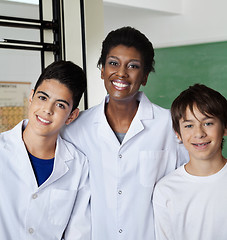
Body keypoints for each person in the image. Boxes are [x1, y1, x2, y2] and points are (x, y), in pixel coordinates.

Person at [61, 26, 188, 240]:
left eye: (133, 66)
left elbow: (188, 187)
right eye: (113, 63)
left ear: (145, 76)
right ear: (102, 70)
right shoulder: (75, 129)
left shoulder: (170, 125)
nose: (121, 73)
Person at [0, 60, 90, 240]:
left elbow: (78, 233)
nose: (47, 110)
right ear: (31, 97)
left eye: (60, 105)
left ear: (72, 116)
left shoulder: (79, 165)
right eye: (43, 98)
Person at [153, 84, 227, 240]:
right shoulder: (166, 190)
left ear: (225, 128)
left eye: (208, 123)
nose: (199, 133)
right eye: (189, 125)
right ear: (178, 134)